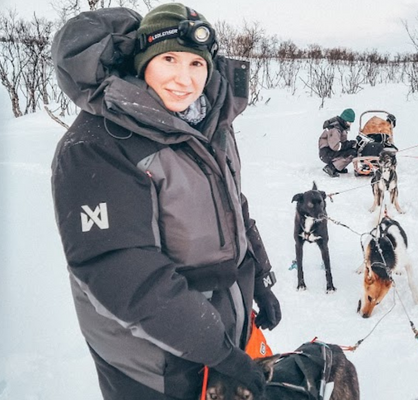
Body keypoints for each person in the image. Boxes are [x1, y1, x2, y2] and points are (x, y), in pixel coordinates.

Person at [50, 3, 281, 399]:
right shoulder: (96, 145)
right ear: (142, 63)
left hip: (217, 335)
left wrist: (259, 277)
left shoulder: (208, 123)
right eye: (168, 59)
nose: (184, 78)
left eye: (196, 63)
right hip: (153, 363)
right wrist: (222, 351)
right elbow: (122, 272)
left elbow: (233, 207)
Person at [318, 108, 358, 177]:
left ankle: (338, 167)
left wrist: (350, 144)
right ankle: (331, 167)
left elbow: (342, 142)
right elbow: (336, 146)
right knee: (352, 153)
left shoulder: (341, 127)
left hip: (329, 151)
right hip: (326, 153)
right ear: (345, 120)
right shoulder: (336, 129)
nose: (350, 124)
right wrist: (350, 144)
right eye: (349, 122)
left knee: (351, 151)